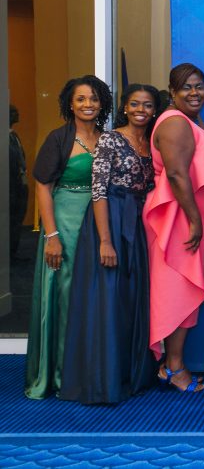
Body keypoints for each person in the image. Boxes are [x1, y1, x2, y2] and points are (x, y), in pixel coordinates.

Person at [60, 84, 161, 404]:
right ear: (125, 108)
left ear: (154, 110)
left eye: (147, 105)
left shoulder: (152, 142)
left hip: (137, 225)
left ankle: (129, 375)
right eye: (135, 104)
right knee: (107, 300)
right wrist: (105, 241)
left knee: (131, 300)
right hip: (110, 224)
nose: (141, 110)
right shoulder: (111, 139)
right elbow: (98, 190)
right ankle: (103, 381)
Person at [25, 75, 113, 399]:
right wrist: (51, 235)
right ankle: (62, 373)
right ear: (70, 104)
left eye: (94, 98)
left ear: (102, 103)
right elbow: (43, 188)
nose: (88, 104)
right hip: (64, 224)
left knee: (92, 297)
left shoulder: (108, 139)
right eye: (81, 99)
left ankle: (88, 369)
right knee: (65, 296)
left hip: (98, 224)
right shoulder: (58, 139)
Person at [143, 63, 204, 393]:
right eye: (186, 87)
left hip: (189, 222)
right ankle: (173, 367)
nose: (195, 93)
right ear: (172, 92)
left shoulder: (189, 121)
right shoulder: (175, 122)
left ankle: (173, 363)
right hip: (177, 221)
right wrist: (194, 220)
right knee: (178, 294)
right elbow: (177, 175)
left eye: (199, 86)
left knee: (186, 294)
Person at [9, 104, 28, 258]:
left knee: (17, 218)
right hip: (8, 185)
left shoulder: (13, 136)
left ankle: (12, 252)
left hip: (19, 184)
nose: (17, 115)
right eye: (12, 113)